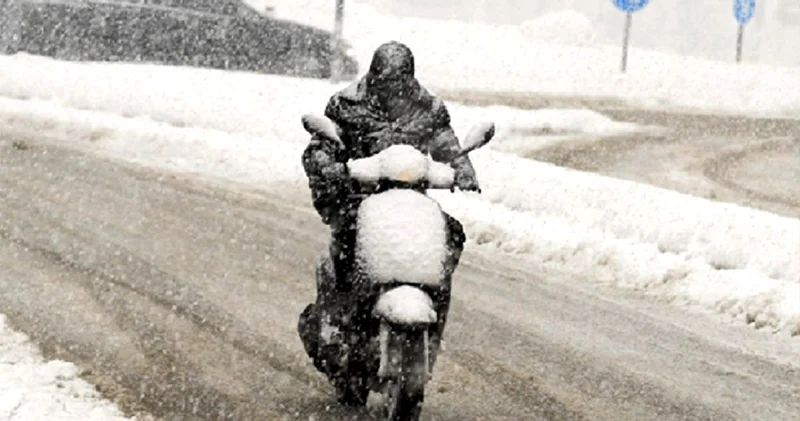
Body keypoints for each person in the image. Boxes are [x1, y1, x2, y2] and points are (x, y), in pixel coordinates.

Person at [297, 41, 480, 382]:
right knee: (349, 237)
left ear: (410, 78)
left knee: (451, 231)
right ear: (374, 75)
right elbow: (321, 145)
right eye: (386, 80)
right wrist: (330, 164)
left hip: (410, 198)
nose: (393, 87)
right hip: (360, 196)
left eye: (400, 81)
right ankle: (339, 315)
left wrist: (462, 165)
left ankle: (433, 300)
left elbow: (444, 141)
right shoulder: (346, 104)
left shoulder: (427, 108)